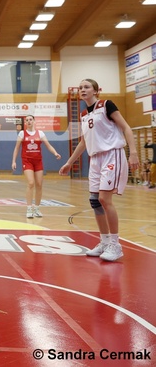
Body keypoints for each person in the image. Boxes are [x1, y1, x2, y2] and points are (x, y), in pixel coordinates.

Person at [59, 79, 139, 261]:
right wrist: (70, 162)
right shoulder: (83, 114)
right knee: (95, 201)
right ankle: (104, 241)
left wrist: (133, 152)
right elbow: (83, 142)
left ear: (96, 91)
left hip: (112, 154)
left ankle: (115, 244)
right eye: (80, 88)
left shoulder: (106, 105)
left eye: (86, 87)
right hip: (95, 159)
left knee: (104, 198)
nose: (82, 90)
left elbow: (126, 127)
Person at [11, 114, 61, 218]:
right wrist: (14, 161)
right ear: (25, 123)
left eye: (30, 119)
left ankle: (37, 209)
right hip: (27, 160)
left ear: (34, 121)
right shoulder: (22, 133)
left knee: (39, 184)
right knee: (31, 183)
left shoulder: (40, 133)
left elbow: (48, 145)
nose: (28, 121)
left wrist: (55, 153)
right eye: (27, 120)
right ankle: (29, 208)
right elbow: (16, 148)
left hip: (38, 161)